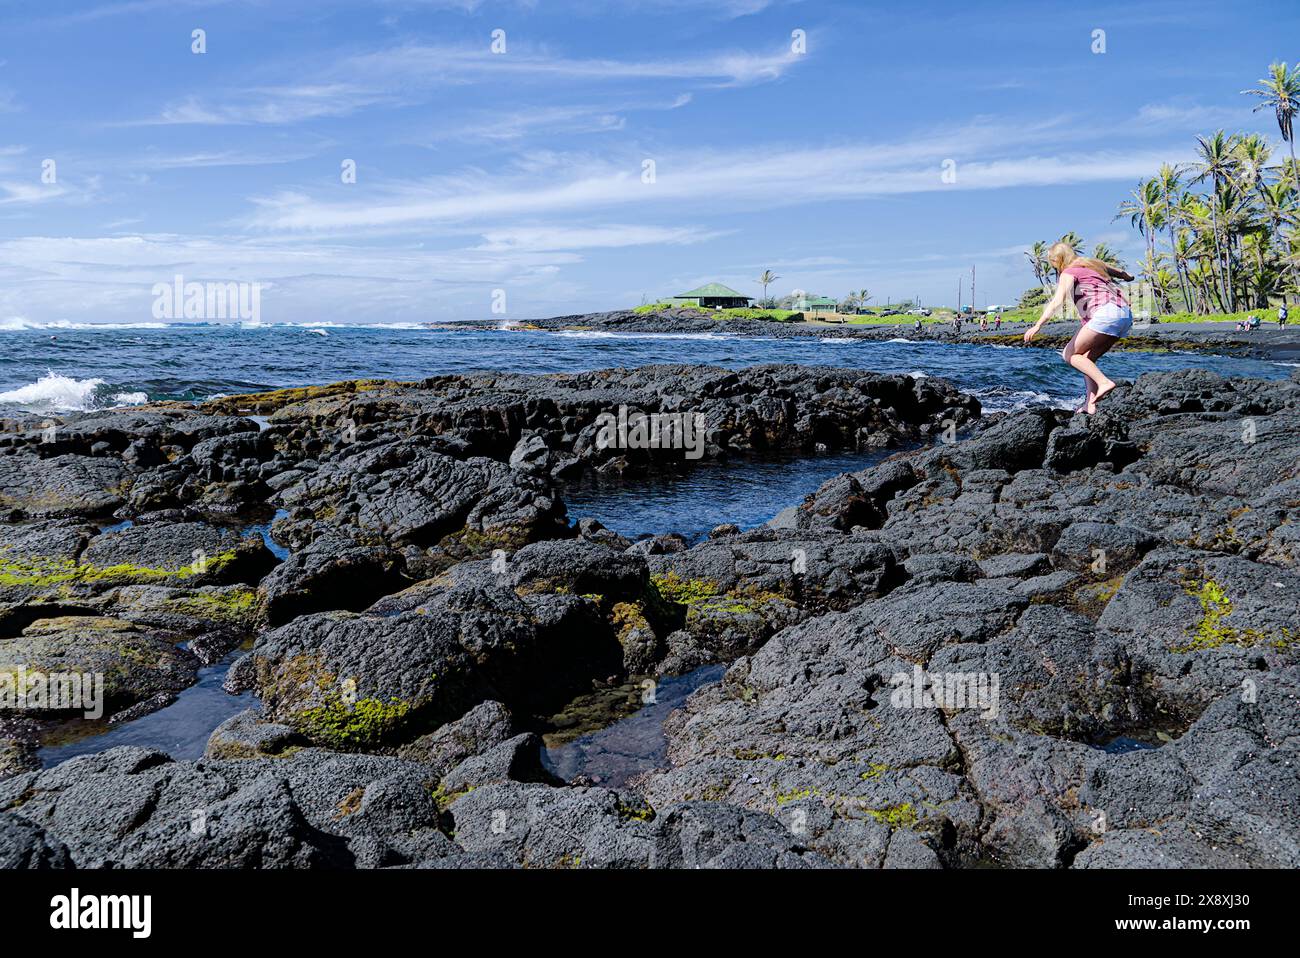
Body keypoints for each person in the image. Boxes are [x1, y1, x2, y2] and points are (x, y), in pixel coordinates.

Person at [1024, 241, 1134, 414]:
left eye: (1053, 263)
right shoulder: (1093, 263)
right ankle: (1090, 404)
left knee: (1069, 355)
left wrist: (1037, 325)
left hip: (1106, 314)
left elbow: (1056, 302)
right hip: (1125, 314)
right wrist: (1129, 277)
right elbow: (1122, 273)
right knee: (1085, 359)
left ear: (1058, 260)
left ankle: (1104, 382)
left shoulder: (1068, 272)